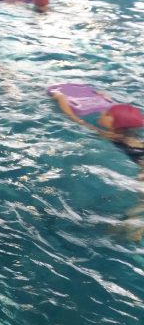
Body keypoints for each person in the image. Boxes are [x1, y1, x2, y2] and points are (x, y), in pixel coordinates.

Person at [51, 94, 144, 242]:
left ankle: (134, 226)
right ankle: (134, 225)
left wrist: (61, 99)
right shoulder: (129, 135)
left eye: (107, 114)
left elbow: (76, 120)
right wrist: (104, 97)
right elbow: (125, 114)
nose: (102, 112)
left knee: (141, 201)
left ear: (115, 124)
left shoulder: (111, 135)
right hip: (140, 157)